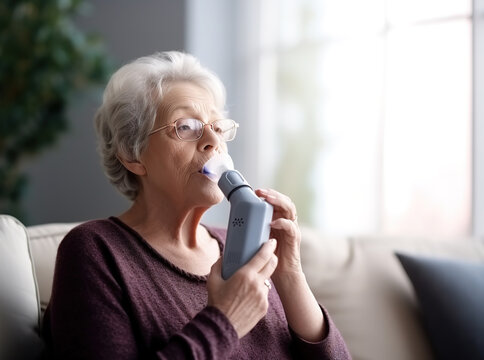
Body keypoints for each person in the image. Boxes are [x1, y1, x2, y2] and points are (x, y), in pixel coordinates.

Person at [42, 51, 351, 359]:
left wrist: (290, 275)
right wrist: (225, 321)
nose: (212, 141)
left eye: (217, 127)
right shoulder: (96, 252)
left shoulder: (246, 246)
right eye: (186, 126)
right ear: (132, 154)